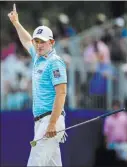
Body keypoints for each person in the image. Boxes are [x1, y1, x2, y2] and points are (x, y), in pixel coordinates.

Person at [8, 4, 67, 167]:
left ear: (52, 42)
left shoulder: (55, 62)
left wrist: (53, 123)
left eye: (43, 42)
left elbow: (61, 94)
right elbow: (27, 40)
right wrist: (16, 23)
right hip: (41, 122)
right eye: (37, 41)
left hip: (50, 120)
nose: (39, 45)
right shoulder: (38, 57)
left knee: (35, 164)